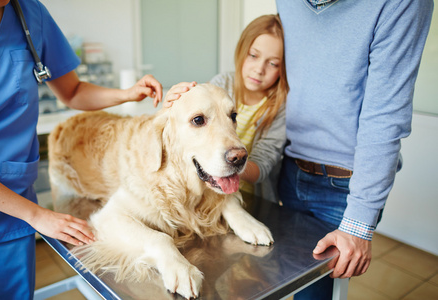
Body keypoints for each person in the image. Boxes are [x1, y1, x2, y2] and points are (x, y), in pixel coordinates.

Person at [0, 0, 162, 299]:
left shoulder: (29, 14)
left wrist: (128, 94)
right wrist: (37, 215)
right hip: (23, 210)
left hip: (13, 208)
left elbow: (72, 91)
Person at [276, 0, 433, 299]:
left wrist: (359, 224)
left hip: (344, 187)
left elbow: (384, 116)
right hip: (287, 169)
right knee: (277, 282)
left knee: (314, 295)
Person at [165, 14, 288, 203]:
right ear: (241, 50)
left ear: (284, 69)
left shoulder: (280, 105)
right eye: (253, 56)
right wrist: (173, 103)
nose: (259, 69)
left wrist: (230, 161)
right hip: (209, 196)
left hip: (252, 200)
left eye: (273, 64)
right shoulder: (222, 84)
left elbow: (262, 167)